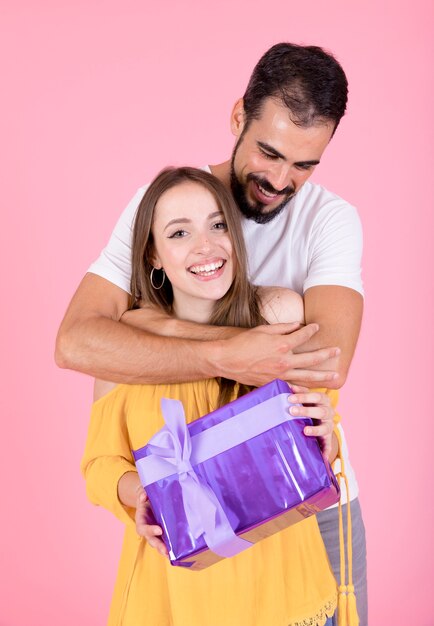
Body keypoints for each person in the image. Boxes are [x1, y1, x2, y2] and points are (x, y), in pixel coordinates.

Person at [56, 43, 367, 624]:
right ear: (236, 118)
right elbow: (77, 342)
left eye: (304, 165)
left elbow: (327, 366)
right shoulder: (168, 202)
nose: (280, 180)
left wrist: (152, 331)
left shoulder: (324, 231)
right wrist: (230, 352)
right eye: (269, 152)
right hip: (188, 553)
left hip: (303, 500)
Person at [82, 166, 339, 626]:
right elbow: (100, 462)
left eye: (218, 224)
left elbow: (318, 426)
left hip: (278, 588)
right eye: (179, 232)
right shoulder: (125, 344)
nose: (205, 245)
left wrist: (325, 428)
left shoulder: (277, 313)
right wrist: (137, 493)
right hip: (174, 598)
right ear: (153, 256)